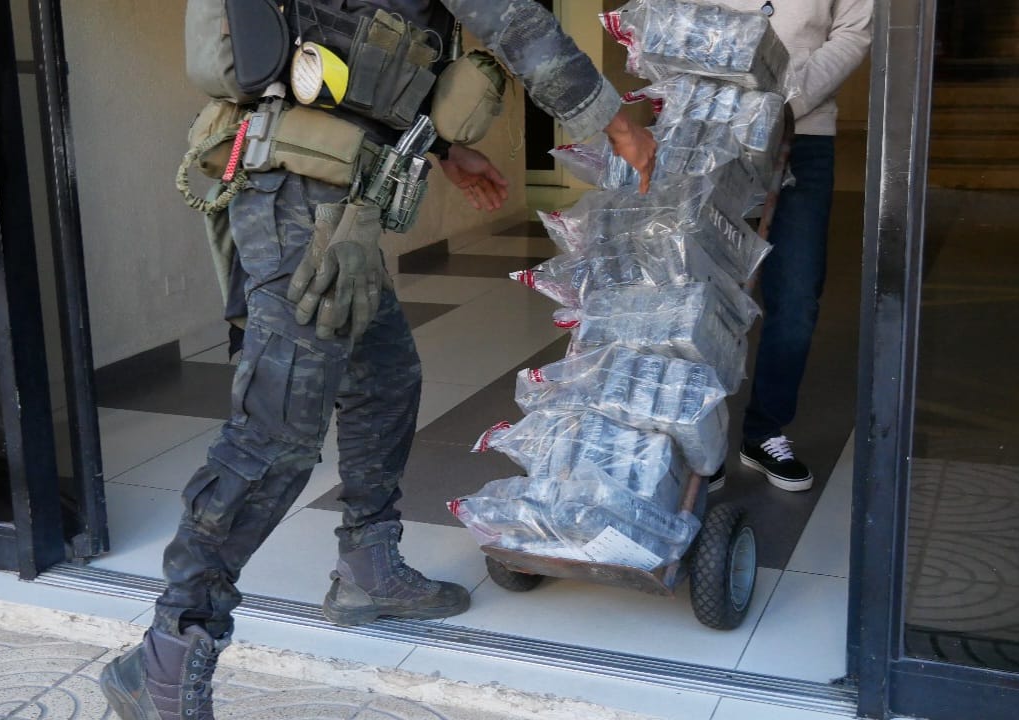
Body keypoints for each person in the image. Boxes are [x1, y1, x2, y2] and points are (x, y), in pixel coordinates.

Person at [99, 2, 657, 719]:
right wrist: (613, 121)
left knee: (385, 378)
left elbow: (371, 55)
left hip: (336, 197)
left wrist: (445, 150)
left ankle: (368, 566)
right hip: (298, 196)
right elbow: (513, 18)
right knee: (274, 436)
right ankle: (166, 655)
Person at [710, 0, 872, 494]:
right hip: (714, 128)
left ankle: (764, 431)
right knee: (703, 291)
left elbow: (854, 32)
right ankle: (699, 438)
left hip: (804, 132)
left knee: (797, 296)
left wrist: (787, 103)